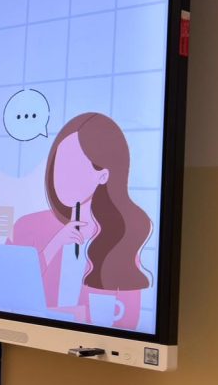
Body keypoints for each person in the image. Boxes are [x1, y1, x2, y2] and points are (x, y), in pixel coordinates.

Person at [8, 112, 151, 328]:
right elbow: (6, 290)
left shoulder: (123, 242)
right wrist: (55, 244)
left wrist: (78, 316)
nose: (60, 175)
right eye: (58, 163)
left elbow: (128, 321)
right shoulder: (26, 227)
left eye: (72, 165)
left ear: (103, 175)